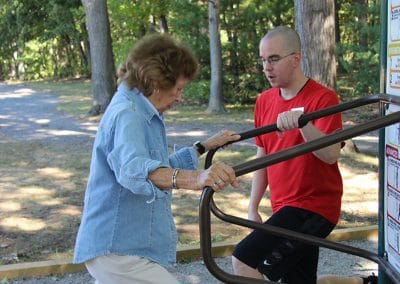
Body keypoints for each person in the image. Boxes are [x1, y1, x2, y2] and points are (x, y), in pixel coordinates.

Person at [73, 33, 240, 284]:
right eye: (178, 89)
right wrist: (197, 178)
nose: (179, 98)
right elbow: (135, 170)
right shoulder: (128, 115)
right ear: (155, 81)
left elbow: (157, 168)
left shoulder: (140, 110)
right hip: (117, 249)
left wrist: (203, 146)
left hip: (121, 248)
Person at [231, 26, 344, 283]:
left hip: (314, 208)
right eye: (262, 60)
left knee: (245, 260)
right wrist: (252, 206)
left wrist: (304, 124)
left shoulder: (323, 98)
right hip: (283, 206)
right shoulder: (264, 101)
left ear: (295, 59)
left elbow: (331, 155)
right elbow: (263, 155)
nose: (266, 67)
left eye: (273, 59)